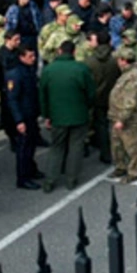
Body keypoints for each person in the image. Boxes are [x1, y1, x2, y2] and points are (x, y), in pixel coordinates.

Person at [39, 40, 94, 192]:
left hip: (57, 116)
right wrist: (86, 107)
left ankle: (50, 180)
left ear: (59, 51)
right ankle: (71, 179)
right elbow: (91, 93)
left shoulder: (49, 70)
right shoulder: (81, 69)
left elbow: (43, 95)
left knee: (57, 148)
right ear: (74, 52)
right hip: (79, 114)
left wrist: (46, 115)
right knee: (75, 148)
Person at [5, 46, 43, 190]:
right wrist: (19, 120)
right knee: (24, 148)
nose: (33, 59)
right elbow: (12, 99)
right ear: (21, 57)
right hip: (23, 116)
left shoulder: (28, 70)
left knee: (31, 145)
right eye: (30, 56)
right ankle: (23, 178)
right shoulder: (15, 74)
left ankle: (31, 170)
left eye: (34, 56)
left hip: (31, 114)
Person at [107, 49, 137, 184]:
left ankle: (134, 172)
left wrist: (122, 119)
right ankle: (120, 167)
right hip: (117, 116)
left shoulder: (134, 76)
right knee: (117, 145)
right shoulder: (127, 74)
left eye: (118, 59)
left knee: (132, 146)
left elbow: (131, 100)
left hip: (128, 119)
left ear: (123, 60)